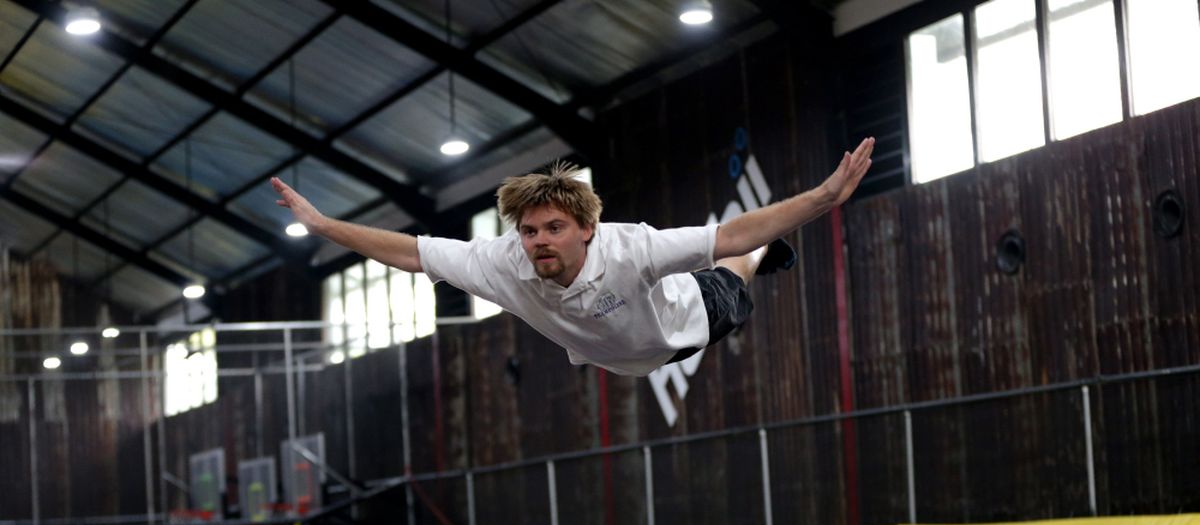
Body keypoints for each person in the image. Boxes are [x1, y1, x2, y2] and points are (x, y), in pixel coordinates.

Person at [270, 137, 874, 377]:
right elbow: (410, 253)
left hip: (683, 327)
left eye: (554, 228)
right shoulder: (501, 261)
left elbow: (732, 234)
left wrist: (822, 197)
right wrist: (323, 227)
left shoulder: (632, 246)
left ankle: (771, 256)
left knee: (733, 274)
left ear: (588, 228)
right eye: (530, 231)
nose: (539, 242)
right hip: (612, 357)